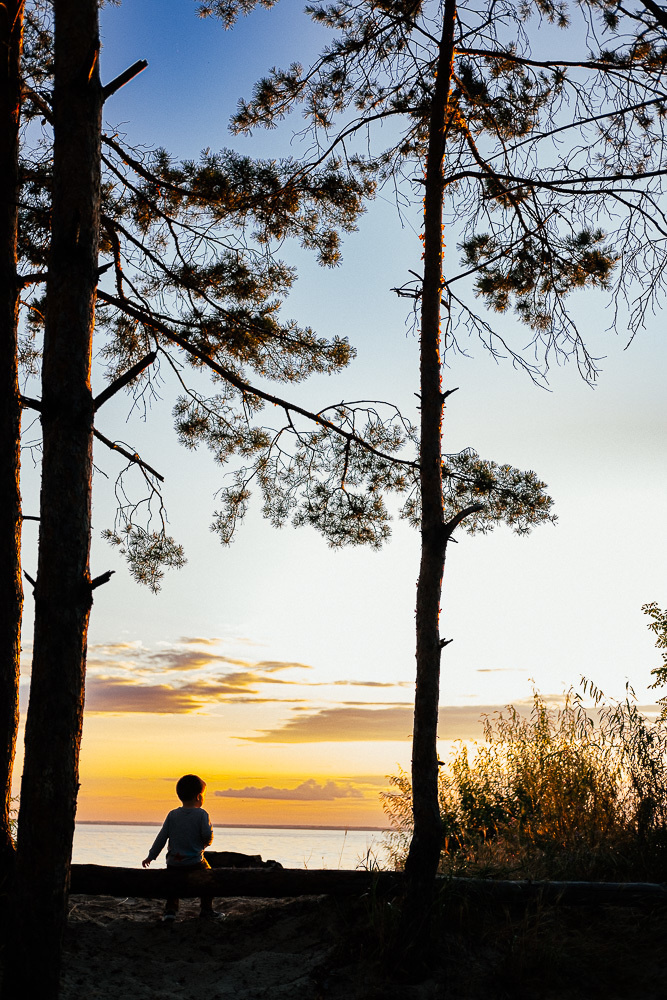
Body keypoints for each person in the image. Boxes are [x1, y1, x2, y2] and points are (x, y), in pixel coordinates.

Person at [142, 773, 219, 921]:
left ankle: (170, 911)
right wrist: (205, 844)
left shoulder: (172, 815)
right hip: (194, 862)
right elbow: (208, 836)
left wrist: (151, 856)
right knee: (209, 877)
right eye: (204, 795)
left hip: (174, 863)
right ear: (198, 797)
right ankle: (206, 909)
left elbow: (161, 838)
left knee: (173, 884)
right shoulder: (202, 815)